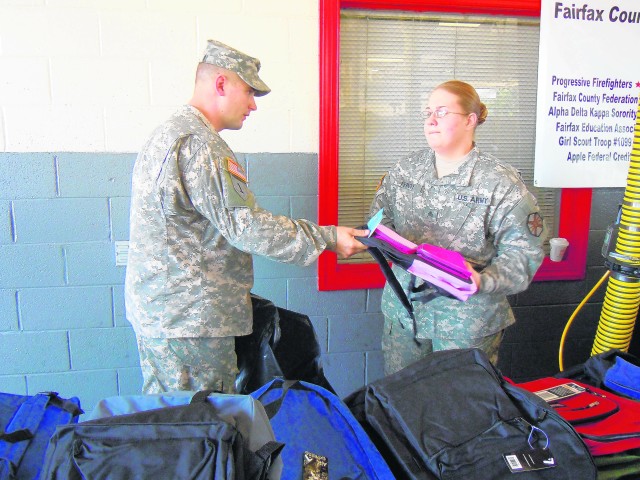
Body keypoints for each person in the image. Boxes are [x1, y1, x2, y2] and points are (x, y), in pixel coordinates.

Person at [125, 39, 368, 394]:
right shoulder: (200, 144)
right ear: (221, 83)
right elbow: (246, 226)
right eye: (249, 91)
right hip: (191, 321)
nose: (253, 105)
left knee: (174, 421)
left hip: (169, 314)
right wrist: (328, 238)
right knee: (203, 428)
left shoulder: (170, 133)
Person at [370, 80, 546, 375]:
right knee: (401, 404)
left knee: (461, 409)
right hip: (404, 313)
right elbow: (380, 221)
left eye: (442, 111)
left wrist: (481, 280)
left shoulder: (500, 183)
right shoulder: (405, 169)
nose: (431, 120)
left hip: (465, 323)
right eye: (427, 112)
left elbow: (524, 255)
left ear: (470, 120)